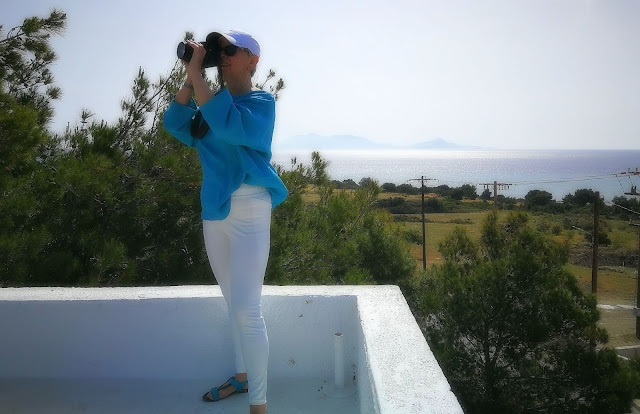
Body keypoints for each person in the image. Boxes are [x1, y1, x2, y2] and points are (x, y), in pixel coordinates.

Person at [163, 29, 287, 414]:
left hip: (250, 208)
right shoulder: (209, 105)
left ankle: (258, 405)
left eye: (232, 49)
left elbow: (230, 125)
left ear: (253, 60)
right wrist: (192, 76)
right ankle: (242, 375)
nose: (225, 54)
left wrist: (198, 78)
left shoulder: (261, 103)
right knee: (233, 303)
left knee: (247, 309)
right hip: (215, 211)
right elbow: (175, 123)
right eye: (220, 50)